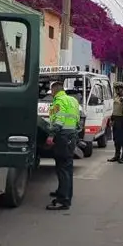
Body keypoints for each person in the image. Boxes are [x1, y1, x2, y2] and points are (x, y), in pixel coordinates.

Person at [46, 80, 81, 210]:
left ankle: (63, 200)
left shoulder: (59, 101)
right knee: (67, 168)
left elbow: (59, 120)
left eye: (51, 91)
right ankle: (63, 192)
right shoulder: (72, 100)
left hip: (63, 136)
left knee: (62, 168)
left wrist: (51, 135)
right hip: (71, 136)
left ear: (54, 90)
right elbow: (77, 119)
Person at [107, 81, 123, 163]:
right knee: (116, 139)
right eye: (116, 88)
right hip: (116, 119)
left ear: (122, 89)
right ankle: (117, 155)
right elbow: (115, 109)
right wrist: (112, 119)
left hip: (122, 119)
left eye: (118, 88)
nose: (116, 90)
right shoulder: (116, 97)